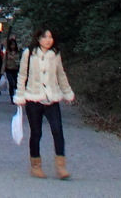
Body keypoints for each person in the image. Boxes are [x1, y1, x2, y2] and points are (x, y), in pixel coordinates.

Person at [14, 27, 75, 180]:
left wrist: (67, 92)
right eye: (45, 37)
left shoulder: (55, 55)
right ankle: (36, 165)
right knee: (36, 133)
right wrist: (20, 96)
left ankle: (61, 166)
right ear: (38, 38)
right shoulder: (29, 53)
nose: (48, 40)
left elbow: (61, 74)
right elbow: (22, 75)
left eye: (50, 37)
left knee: (57, 130)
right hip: (33, 98)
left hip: (52, 98)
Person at [4, 35, 21, 101]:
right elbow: (4, 61)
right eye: (11, 45)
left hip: (16, 69)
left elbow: (21, 60)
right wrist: (2, 71)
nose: (12, 46)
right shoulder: (7, 52)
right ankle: (12, 96)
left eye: (13, 45)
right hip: (9, 69)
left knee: (16, 83)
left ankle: (17, 95)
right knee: (11, 83)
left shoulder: (18, 52)